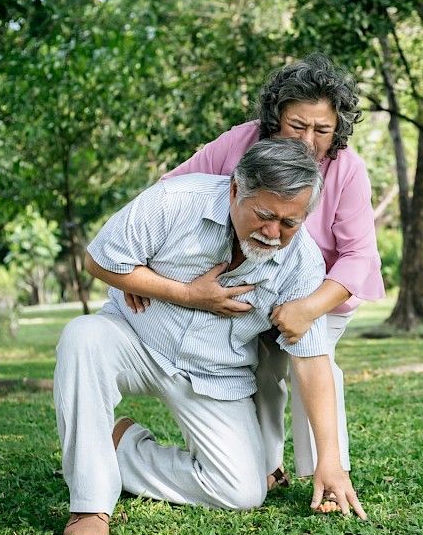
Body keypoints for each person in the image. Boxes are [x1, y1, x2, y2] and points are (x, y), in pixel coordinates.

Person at [55, 138, 366, 535]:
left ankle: (122, 447)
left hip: (216, 373)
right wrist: (184, 293)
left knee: (242, 492)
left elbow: (312, 363)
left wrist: (332, 462)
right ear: (236, 190)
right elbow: (100, 259)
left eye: (289, 223)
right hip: (135, 338)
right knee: (82, 336)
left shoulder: (302, 263)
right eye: (264, 216)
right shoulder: (175, 201)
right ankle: (90, 503)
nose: (273, 233)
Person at [129, 54, 384, 494]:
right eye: (297, 126)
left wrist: (307, 308)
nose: (308, 140)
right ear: (273, 119)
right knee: (259, 371)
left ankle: (328, 471)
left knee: (313, 362)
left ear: (336, 129)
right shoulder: (239, 141)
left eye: (322, 130)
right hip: (251, 282)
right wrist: (141, 270)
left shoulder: (348, 168)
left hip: (320, 290)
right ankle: (265, 467)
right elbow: (168, 190)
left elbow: (359, 255)